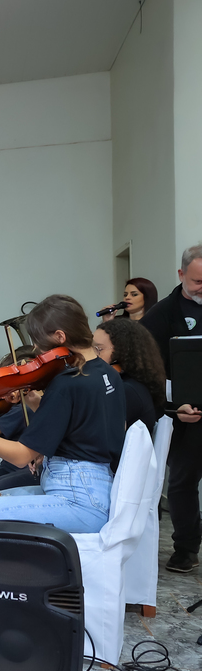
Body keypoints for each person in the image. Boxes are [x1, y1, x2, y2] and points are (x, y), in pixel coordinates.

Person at [0, 295, 126, 637]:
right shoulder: (105, 373)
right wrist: (41, 412)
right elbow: (84, 429)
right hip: (93, 487)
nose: (36, 352)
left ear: (60, 337)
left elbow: (20, 456)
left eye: (38, 341)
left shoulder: (69, 382)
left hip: (77, 499)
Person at [138, 245, 202, 572]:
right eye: (197, 282)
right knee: (182, 483)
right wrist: (175, 406)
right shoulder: (161, 315)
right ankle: (186, 548)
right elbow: (147, 369)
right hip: (185, 415)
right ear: (181, 275)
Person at [93, 319, 165, 434]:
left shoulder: (127, 390)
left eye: (99, 349)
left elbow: (98, 434)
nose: (91, 355)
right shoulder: (131, 384)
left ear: (123, 352)